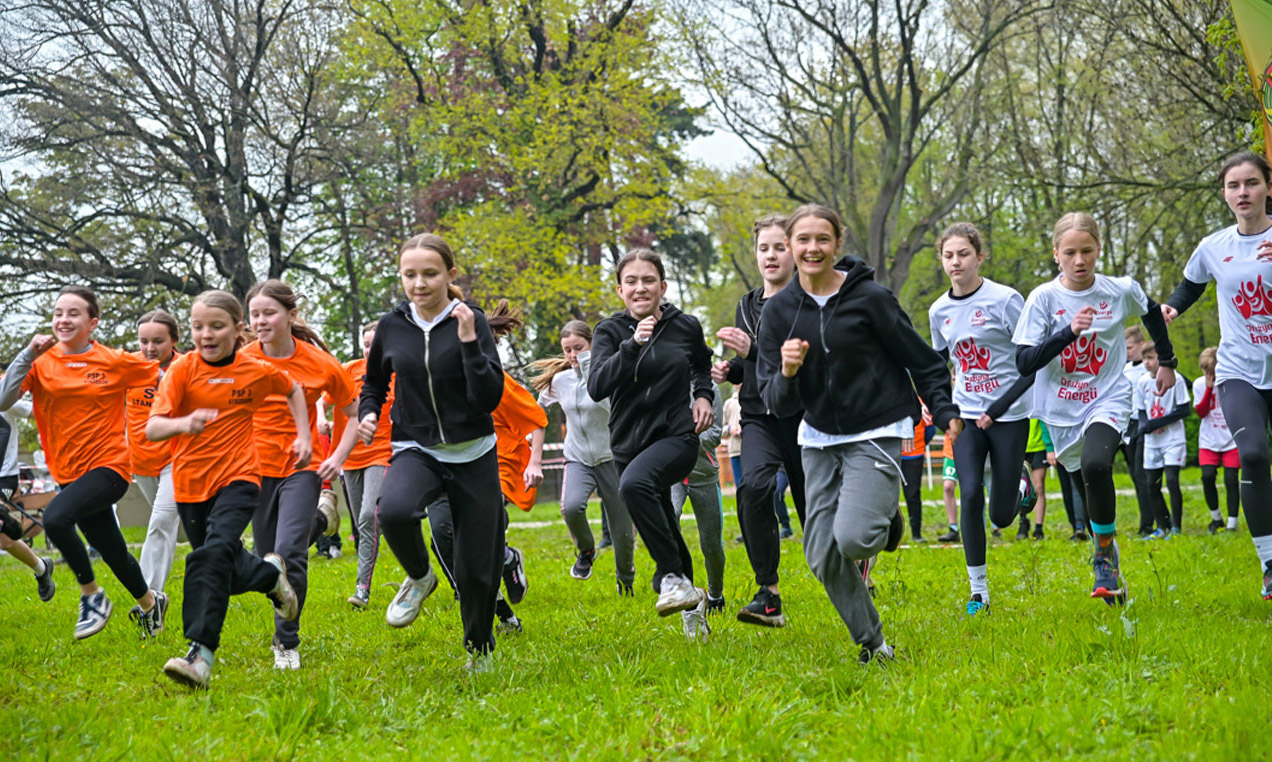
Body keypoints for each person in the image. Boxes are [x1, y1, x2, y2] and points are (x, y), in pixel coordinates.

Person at [757, 203, 961, 662]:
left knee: (853, 539)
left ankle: (884, 516)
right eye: (803, 240)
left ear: (837, 245)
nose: (813, 248)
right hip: (818, 438)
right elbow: (774, 401)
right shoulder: (778, 314)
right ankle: (875, 643)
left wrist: (944, 410)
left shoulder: (871, 299)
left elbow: (923, 360)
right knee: (822, 553)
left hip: (878, 426)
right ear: (790, 247)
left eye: (822, 239)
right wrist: (788, 372)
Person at [358, 233, 506, 670]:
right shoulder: (391, 326)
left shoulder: (471, 320)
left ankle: (479, 649)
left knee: (476, 565)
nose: (419, 284)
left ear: (450, 275)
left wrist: (466, 342)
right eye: (410, 275)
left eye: (430, 274)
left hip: (474, 451)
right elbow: (373, 383)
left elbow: (489, 396)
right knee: (395, 511)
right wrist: (369, 413)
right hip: (416, 446)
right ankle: (420, 577)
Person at [1014, 212, 1176, 606]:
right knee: (1083, 479)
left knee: (1097, 464)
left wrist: (1168, 361)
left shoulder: (1118, 290)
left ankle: (1102, 554)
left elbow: (1151, 311)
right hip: (1060, 408)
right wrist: (1067, 332)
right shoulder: (1044, 298)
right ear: (1057, 254)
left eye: (1087, 250)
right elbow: (1024, 362)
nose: (1080, 260)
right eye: (1070, 252)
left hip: (1108, 396)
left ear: (1099, 249)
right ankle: (1110, 557)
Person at [148, 289, 308, 689]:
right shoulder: (182, 370)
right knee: (220, 565)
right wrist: (184, 424)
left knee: (212, 555)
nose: (206, 334)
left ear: (238, 330)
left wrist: (303, 436)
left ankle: (200, 654)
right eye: (198, 327)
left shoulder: (255, 369)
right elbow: (153, 428)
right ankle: (270, 575)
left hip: (240, 478)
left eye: (216, 326)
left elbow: (293, 389)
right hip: (189, 485)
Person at [0, 286, 165, 639]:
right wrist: (28, 353)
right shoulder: (40, 363)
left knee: (57, 517)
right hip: (68, 473)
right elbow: (2, 400)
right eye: (58, 312)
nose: (63, 319)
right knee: (113, 550)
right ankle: (151, 605)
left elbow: (166, 379)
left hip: (111, 467)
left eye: (73, 313)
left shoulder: (115, 360)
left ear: (92, 323)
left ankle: (92, 596)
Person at [588, 248, 715, 640]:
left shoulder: (685, 326)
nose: (640, 287)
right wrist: (632, 346)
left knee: (633, 487)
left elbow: (701, 364)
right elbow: (596, 387)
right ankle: (694, 610)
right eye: (631, 281)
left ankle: (672, 576)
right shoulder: (609, 332)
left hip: (677, 437)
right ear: (620, 290)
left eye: (648, 280)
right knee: (664, 521)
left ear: (662, 286)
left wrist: (703, 395)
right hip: (628, 445)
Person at [1164, 151, 1272, 598]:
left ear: (1268, 187)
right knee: (1253, 456)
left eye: (1251, 183)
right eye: (1233, 185)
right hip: (1238, 371)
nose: (1242, 192)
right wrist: (1170, 307)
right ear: (1224, 193)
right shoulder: (1214, 246)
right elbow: (1191, 284)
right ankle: (1269, 563)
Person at [242, 280, 356, 670]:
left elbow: (352, 413)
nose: (260, 321)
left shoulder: (320, 363)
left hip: (302, 467)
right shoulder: (241, 360)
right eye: (254, 314)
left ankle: (286, 642)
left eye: (268, 313)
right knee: (264, 560)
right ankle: (322, 520)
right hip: (253, 468)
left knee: (289, 556)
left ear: (291, 316)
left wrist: (338, 457)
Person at [928, 221, 1035, 613]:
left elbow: (1031, 364)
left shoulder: (1005, 300)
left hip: (1009, 415)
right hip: (967, 416)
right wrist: (936, 402)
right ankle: (979, 592)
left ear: (980, 256)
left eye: (963, 254)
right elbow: (939, 364)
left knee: (1001, 515)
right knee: (969, 492)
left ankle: (1020, 484)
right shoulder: (938, 310)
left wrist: (1000, 407)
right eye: (948, 255)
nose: (955, 262)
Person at [711, 213, 807, 628]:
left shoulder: (809, 300)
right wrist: (730, 370)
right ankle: (769, 594)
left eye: (780, 247)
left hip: (804, 417)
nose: (771, 255)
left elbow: (805, 363)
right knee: (751, 488)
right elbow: (752, 364)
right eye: (764, 248)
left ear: (795, 251)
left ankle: (855, 567)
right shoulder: (747, 304)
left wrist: (751, 353)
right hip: (759, 417)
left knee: (815, 509)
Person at [529, 321, 636, 591]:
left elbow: (606, 404)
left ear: (592, 345)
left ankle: (625, 580)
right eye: (568, 350)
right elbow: (536, 415)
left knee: (622, 532)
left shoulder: (609, 374)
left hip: (612, 458)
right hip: (577, 458)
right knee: (571, 507)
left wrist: (591, 366)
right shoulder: (560, 381)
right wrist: (534, 458)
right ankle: (586, 551)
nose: (573, 355)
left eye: (579, 348)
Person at [328, 321, 393, 608]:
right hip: (350, 457)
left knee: (369, 516)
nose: (370, 350)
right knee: (365, 524)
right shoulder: (348, 371)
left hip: (383, 453)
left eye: (376, 344)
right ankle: (368, 583)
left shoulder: (399, 374)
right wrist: (319, 417)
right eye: (367, 345)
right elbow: (323, 395)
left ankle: (362, 589)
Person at [129, 311, 183, 596]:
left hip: (178, 459)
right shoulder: (127, 366)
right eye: (144, 341)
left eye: (158, 341)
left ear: (174, 340)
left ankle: (150, 599)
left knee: (161, 521)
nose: (150, 348)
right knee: (181, 527)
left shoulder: (188, 367)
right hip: (141, 462)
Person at [669, 382, 727, 619]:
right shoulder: (665, 381)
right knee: (669, 517)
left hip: (704, 474)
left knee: (711, 544)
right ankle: (682, 587)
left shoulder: (710, 388)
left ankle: (715, 594)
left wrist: (688, 437)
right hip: (672, 473)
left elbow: (715, 434)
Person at [0, 393, 55, 600]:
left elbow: (36, 411)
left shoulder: (4, 397)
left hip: (3, 477)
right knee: (5, 541)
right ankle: (42, 568)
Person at [1132, 341, 1190, 537]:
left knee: (1172, 481)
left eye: (1151, 358)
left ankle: (1176, 527)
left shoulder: (1177, 380)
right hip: (1152, 442)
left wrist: (1156, 423)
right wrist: (1144, 425)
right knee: (1152, 484)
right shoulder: (1142, 382)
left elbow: (1183, 409)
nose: (1147, 363)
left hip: (1173, 439)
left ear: (1160, 359)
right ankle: (1162, 527)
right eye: (1144, 359)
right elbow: (1141, 410)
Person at [1194, 347, 1240, 533]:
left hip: (1231, 438)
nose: (1209, 375)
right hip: (1209, 439)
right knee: (1207, 476)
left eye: (1212, 372)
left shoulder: (1231, 383)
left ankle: (1232, 523)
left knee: (1231, 479)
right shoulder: (1199, 384)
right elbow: (1201, 412)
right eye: (1206, 372)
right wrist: (1208, 389)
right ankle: (1216, 518)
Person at [1119, 327, 1156, 536]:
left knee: (1143, 475)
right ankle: (1145, 520)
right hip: (1126, 425)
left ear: (1141, 345)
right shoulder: (1124, 368)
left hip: (1145, 423)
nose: (1127, 352)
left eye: (1130, 348)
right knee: (1134, 474)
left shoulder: (1150, 367)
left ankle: (1149, 522)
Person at [900, 403, 934, 543]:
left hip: (913, 454)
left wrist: (919, 444)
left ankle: (916, 534)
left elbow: (930, 429)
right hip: (889, 453)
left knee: (913, 494)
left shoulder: (920, 404)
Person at [938, 423, 960, 542]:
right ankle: (953, 528)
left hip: (970, 447)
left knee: (972, 489)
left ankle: (991, 527)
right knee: (948, 486)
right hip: (950, 450)